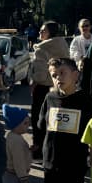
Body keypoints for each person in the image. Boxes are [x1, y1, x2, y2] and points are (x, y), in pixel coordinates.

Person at [29, 21, 70, 158]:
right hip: (60, 86)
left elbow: (40, 74)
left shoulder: (42, 48)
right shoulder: (63, 45)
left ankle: (38, 149)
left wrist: (34, 81)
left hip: (42, 87)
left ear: (50, 32)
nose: (40, 33)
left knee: (39, 119)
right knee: (55, 121)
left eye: (43, 30)